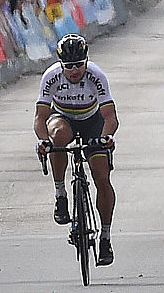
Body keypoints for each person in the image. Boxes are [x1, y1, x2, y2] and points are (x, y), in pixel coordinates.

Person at [34, 34, 118, 267]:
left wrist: (106, 138)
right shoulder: (51, 77)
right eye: (69, 66)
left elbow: (110, 117)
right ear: (61, 64)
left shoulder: (96, 76)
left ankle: (105, 238)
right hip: (63, 119)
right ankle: (61, 194)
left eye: (79, 65)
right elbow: (40, 118)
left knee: (101, 176)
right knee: (57, 137)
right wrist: (43, 141)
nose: (74, 70)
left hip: (92, 121)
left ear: (86, 61)